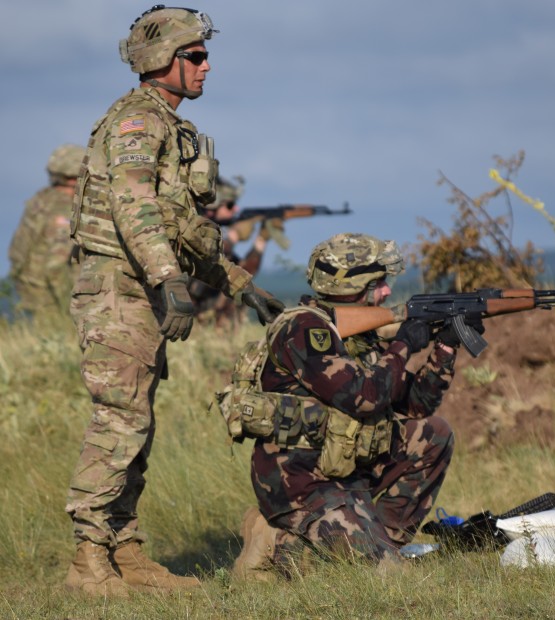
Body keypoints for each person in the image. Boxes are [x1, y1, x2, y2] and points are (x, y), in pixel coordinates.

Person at [65, 5, 283, 596]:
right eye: (195, 56)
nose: (207, 66)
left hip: (139, 288)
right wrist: (168, 280)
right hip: (118, 286)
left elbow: (180, 224)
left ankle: (125, 554)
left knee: (138, 418)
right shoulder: (139, 122)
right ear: (161, 61)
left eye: (205, 55)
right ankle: (88, 561)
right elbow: (133, 206)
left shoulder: (172, 128)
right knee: (121, 416)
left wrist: (240, 285)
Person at [229, 233, 463, 580]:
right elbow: (364, 395)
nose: (386, 291)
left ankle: (384, 543)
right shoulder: (304, 330)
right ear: (351, 285)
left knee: (434, 435)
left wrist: (444, 349)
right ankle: (273, 539)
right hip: (302, 481)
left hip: (350, 472)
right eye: (378, 282)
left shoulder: (359, 334)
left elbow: (416, 405)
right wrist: (402, 345)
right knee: (380, 577)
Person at [189, 175, 286, 328]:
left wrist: (261, 240)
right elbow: (208, 256)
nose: (236, 209)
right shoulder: (192, 229)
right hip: (194, 318)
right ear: (210, 209)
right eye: (229, 205)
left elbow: (243, 273)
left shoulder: (219, 235)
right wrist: (233, 237)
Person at [8, 144, 85, 315]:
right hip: (50, 298)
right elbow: (55, 263)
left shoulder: (41, 200)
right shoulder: (65, 207)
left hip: (30, 290)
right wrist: (70, 306)